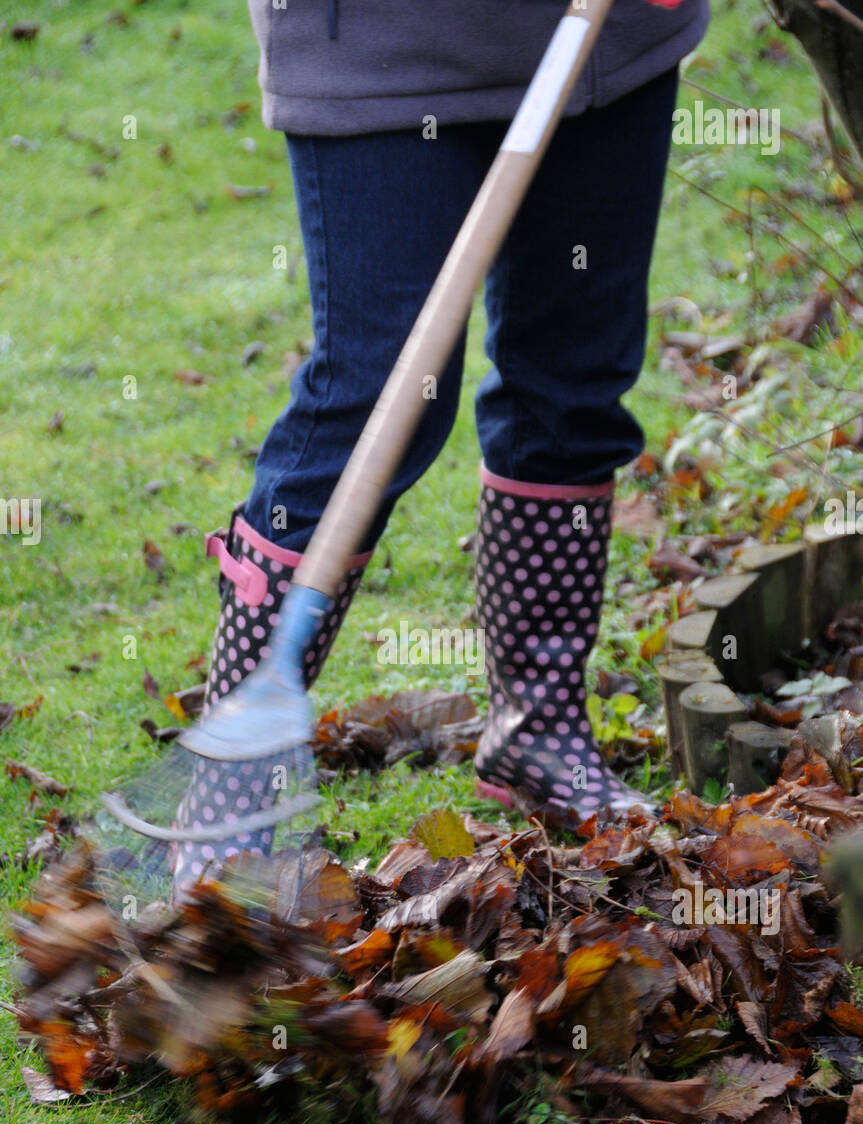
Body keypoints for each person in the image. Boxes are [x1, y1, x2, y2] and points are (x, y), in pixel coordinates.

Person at [176, 0, 710, 883]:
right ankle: (236, 779)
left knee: (574, 380)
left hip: (600, 42)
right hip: (383, 46)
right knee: (381, 393)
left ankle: (535, 734)